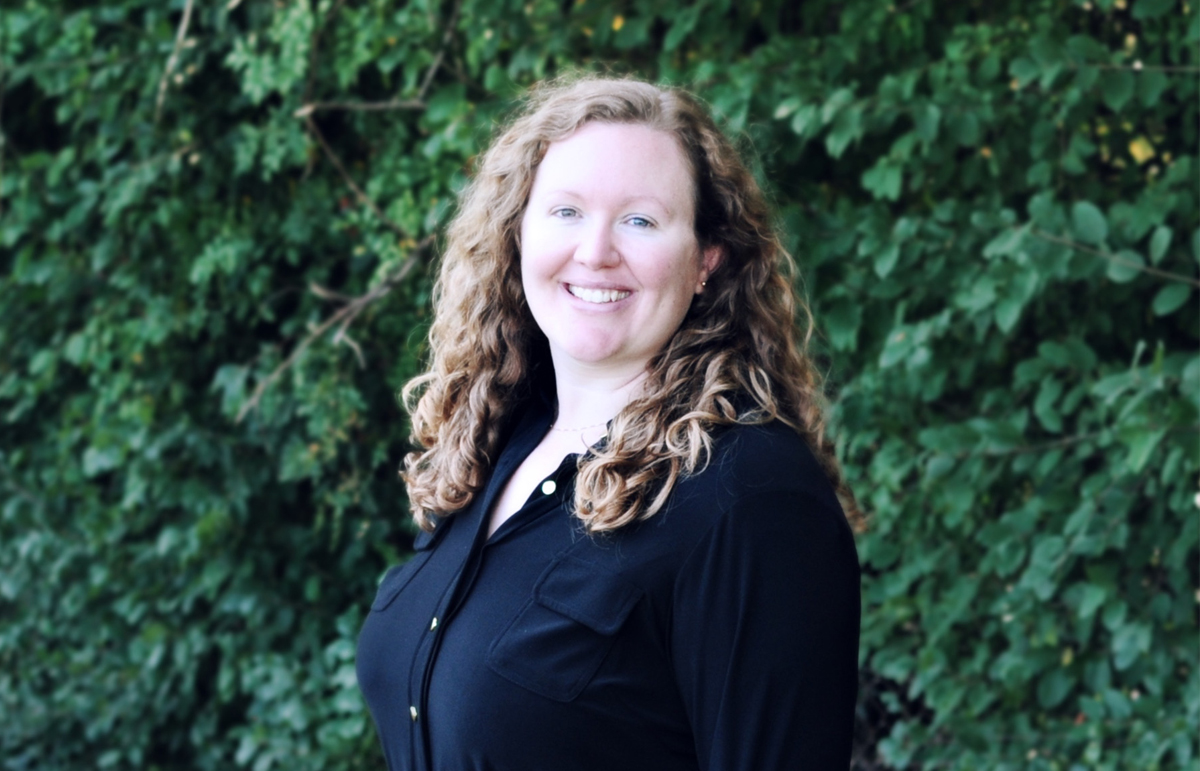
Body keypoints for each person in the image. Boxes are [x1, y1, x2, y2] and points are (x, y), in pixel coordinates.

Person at [356, 75, 861, 771]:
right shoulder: (494, 444)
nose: (595, 251)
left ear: (705, 262)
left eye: (641, 220)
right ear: (518, 232)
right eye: (565, 211)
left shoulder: (747, 496)